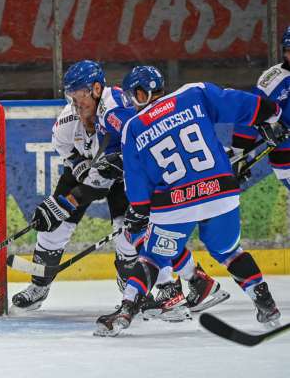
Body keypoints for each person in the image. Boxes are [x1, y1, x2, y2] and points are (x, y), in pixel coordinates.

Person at [95, 65, 284, 337]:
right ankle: (265, 303)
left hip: (175, 205)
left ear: (140, 93)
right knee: (230, 252)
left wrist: (139, 210)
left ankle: (126, 310)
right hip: (220, 193)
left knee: (151, 258)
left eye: (132, 96)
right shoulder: (194, 94)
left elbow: (136, 180)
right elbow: (240, 104)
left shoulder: (133, 127)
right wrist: (273, 114)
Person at [11, 60, 140, 312]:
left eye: (80, 95)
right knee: (53, 226)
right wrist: (81, 168)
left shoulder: (118, 111)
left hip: (124, 176)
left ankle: (132, 290)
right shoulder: (67, 122)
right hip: (90, 168)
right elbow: (64, 149)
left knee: (128, 234)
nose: (77, 104)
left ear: (96, 89)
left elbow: (138, 144)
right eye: (72, 97)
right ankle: (39, 286)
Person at [231, 25, 290, 186]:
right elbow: (250, 111)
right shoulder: (275, 79)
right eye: (289, 50)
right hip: (286, 154)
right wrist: (239, 155)